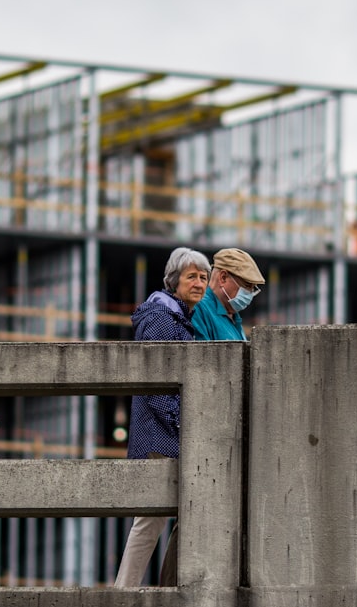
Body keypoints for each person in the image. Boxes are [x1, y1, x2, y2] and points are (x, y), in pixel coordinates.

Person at [114, 246, 210, 588]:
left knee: (163, 516)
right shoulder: (160, 316)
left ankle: (157, 586)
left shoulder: (178, 316)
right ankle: (124, 590)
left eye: (203, 277)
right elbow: (155, 383)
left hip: (168, 434)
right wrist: (182, 423)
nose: (199, 283)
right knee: (150, 519)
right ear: (174, 281)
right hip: (159, 435)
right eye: (191, 277)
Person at [191, 247, 265, 342]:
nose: (249, 294)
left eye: (252, 288)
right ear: (223, 278)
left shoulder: (233, 317)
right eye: (247, 285)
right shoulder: (198, 309)